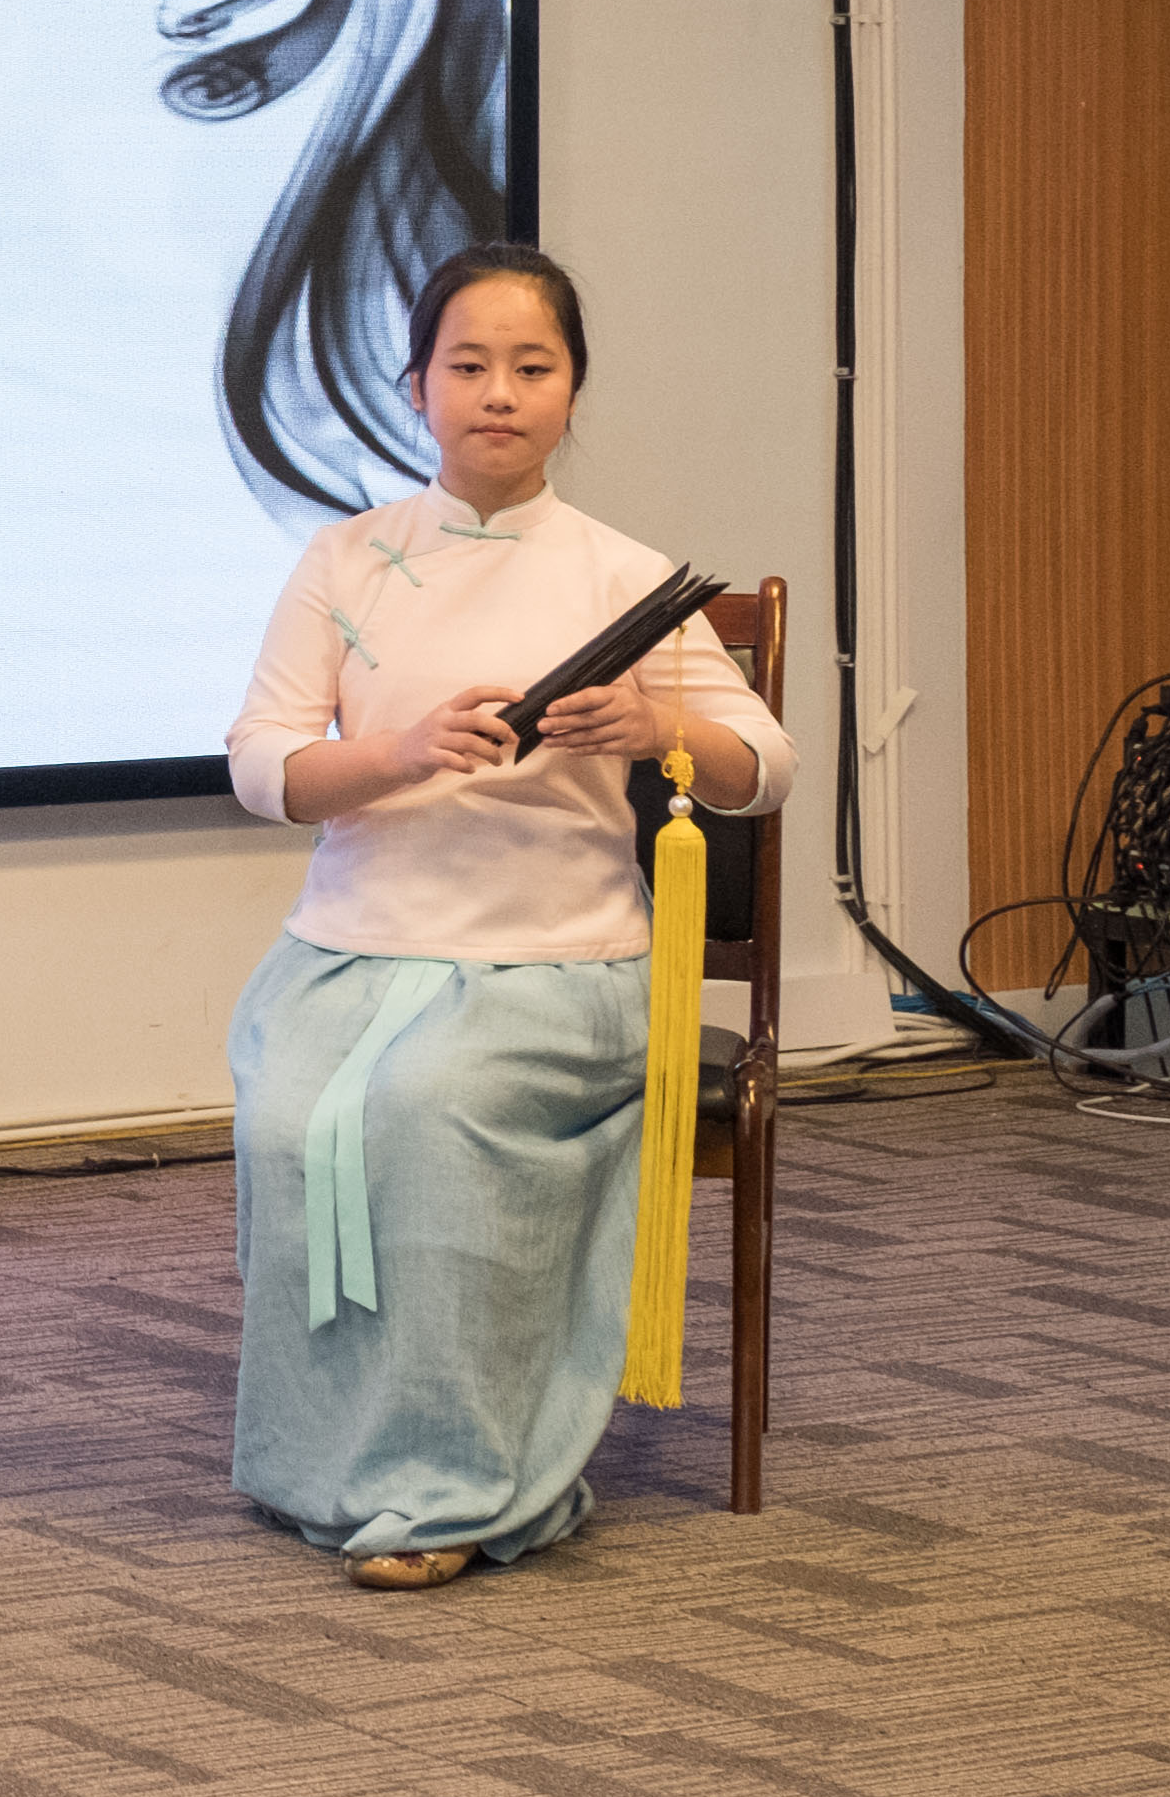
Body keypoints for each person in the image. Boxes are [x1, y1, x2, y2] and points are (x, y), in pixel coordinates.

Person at [219, 240, 782, 1588]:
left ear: (573, 390)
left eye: (534, 367)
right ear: (415, 386)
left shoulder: (623, 578)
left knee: (427, 1112)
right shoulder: (346, 560)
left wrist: (655, 726)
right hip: (348, 955)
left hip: (554, 969)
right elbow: (263, 767)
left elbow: (765, 768)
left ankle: (452, 1491)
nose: (500, 393)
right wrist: (405, 752)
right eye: (467, 365)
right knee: (289, 1122)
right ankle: (322, 1465)